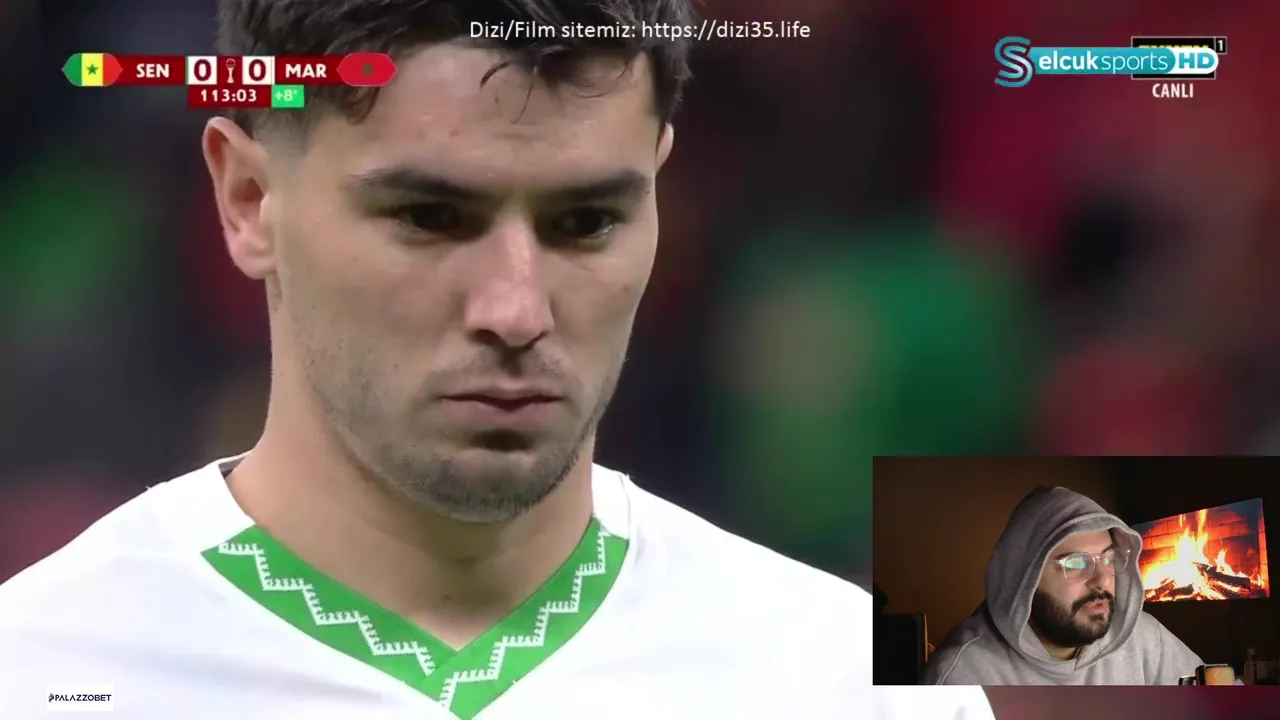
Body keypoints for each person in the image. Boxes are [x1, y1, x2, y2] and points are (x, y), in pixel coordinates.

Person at [0, 1, 998, 718]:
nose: (516, 310)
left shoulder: (853, 686)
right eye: (429, 216)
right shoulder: (38, 672)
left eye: (586, 221)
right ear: (249, 201)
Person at [922, 485, 1204, 685]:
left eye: (1108, 559)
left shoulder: (1142, 638)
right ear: (1025, 578)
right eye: (1076, 562)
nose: (1102, 580)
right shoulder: (961, 677)